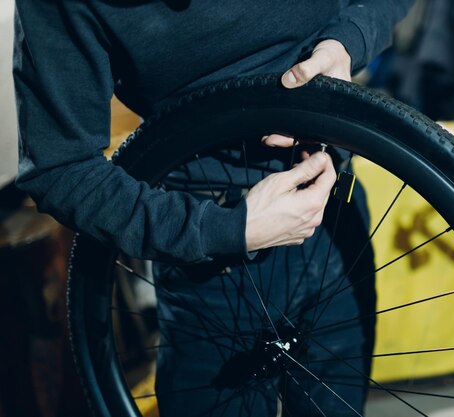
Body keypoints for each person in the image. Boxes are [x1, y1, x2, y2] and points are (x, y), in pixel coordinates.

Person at [13, 1, 413, 415]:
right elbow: (61, 168)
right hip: (208, 260)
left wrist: (346, 42)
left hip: (335, 220)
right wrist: (221, 230)